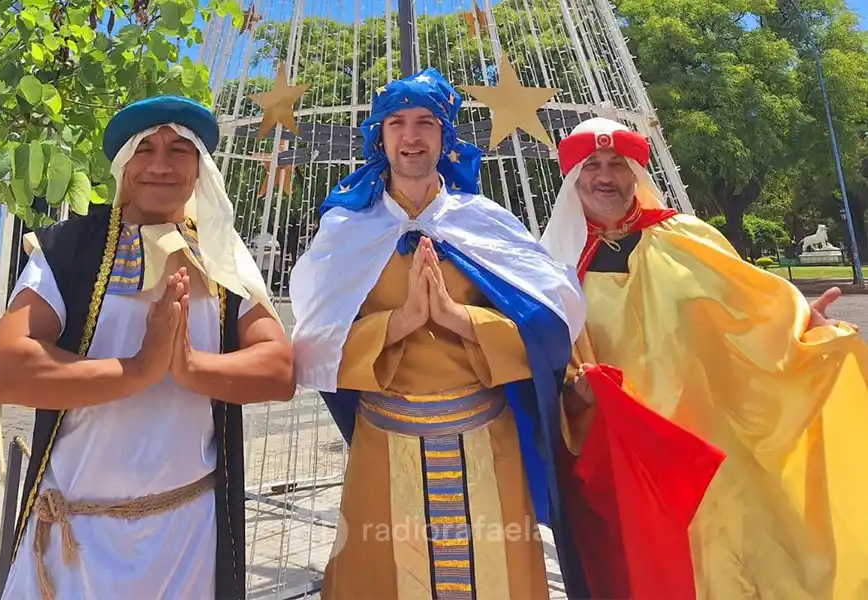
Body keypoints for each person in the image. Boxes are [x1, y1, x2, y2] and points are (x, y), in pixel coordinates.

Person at [288, 69, 723, 599]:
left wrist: (460, 318)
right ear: (379, 136)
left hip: (484, 441)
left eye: (426, 122)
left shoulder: (485, 222)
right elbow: (314, 345)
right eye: (396, 122)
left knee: (498, 575)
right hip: (384, 441)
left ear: (445, 136)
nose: (411, 136)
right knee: (381, 576)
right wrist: (396, 324)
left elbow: (549, 325)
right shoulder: (345, 230)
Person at [540, 116, 868, 599]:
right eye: (592, 166)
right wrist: (577, 388)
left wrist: (802, 329)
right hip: (634, 461)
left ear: (636, 175)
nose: (605, 177)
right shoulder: (554, 267)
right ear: (573, 178)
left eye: (617, 164)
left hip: (713, 447)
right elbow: (550, 366)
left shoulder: (687, 237)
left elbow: (750, 311)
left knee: (741, 561)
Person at [0, 95, 296, 600]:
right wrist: (137, 370)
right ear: (124, 164)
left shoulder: (223, 257)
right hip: (74, 541)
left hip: (187, 539)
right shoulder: (66, 249)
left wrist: (189, 366)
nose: (160, 164)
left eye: (179, 149)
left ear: (199, 168)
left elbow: (279, 370)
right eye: (144, 148)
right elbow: (5, 371)